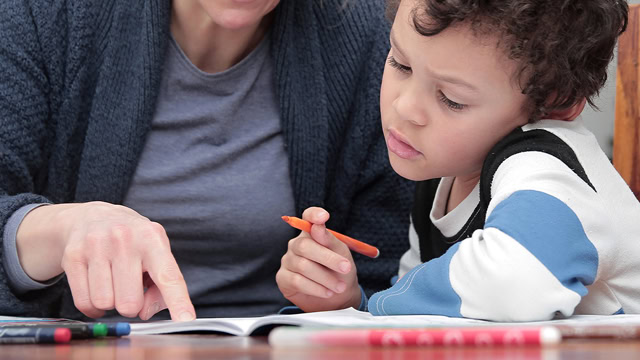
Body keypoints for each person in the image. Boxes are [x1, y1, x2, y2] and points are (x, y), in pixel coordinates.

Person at [0, 0, 414, 321]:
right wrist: (56, 230)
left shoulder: (369, 39)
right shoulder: (44, 18)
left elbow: (388, 277)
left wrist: (344, 299)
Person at [276, 0, 640, 321]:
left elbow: (514, 283)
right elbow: (432, 314)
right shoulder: (443, 173)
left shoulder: (546, 164)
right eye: (401, 64)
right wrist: (348, 302)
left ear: (554, 105)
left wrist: (377, 308)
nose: (405, 108)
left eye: (451, 99)